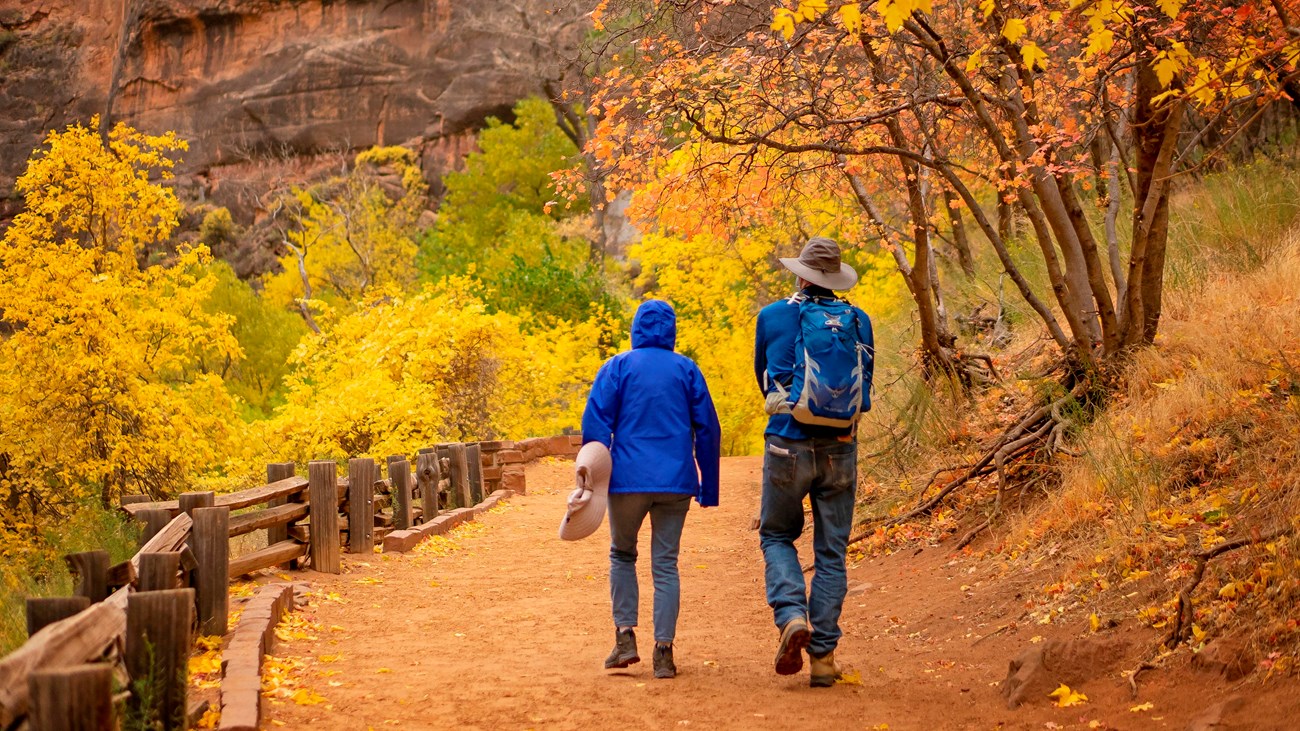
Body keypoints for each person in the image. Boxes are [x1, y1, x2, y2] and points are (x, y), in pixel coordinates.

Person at [754, 237, 874, 687]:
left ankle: (790, 616)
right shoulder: (858, 320)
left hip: (787, 443)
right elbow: (866, 386)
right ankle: (823, 659)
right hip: (841, 445)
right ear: (835, 278)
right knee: (831, 553)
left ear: (802, 274)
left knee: (777, 535)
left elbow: (762, 379)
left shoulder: (772, 316)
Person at [582, 299, 722, 679]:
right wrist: (708, 487)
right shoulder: (686, 369)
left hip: (626, 481)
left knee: (622, 554)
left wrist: (594, 478)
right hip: (676, 483)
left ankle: (625, 637)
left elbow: (595, 423)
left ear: (636, 328)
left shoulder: (618, 367)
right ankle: (664, 653)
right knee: (665, 565)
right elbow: (708, 428)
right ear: (671, 330)